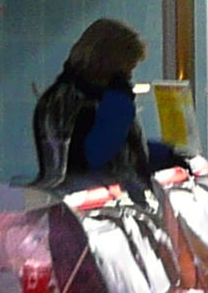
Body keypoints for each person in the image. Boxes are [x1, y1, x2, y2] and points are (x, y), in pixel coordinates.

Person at [34, 17, 152, 189]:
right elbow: (91, 158)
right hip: (83, 202)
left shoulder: (103, 97)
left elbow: (126, 152)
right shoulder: (64, 101)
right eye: (126, 68)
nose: (128, 76)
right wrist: (118, 109)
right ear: (107, 62)